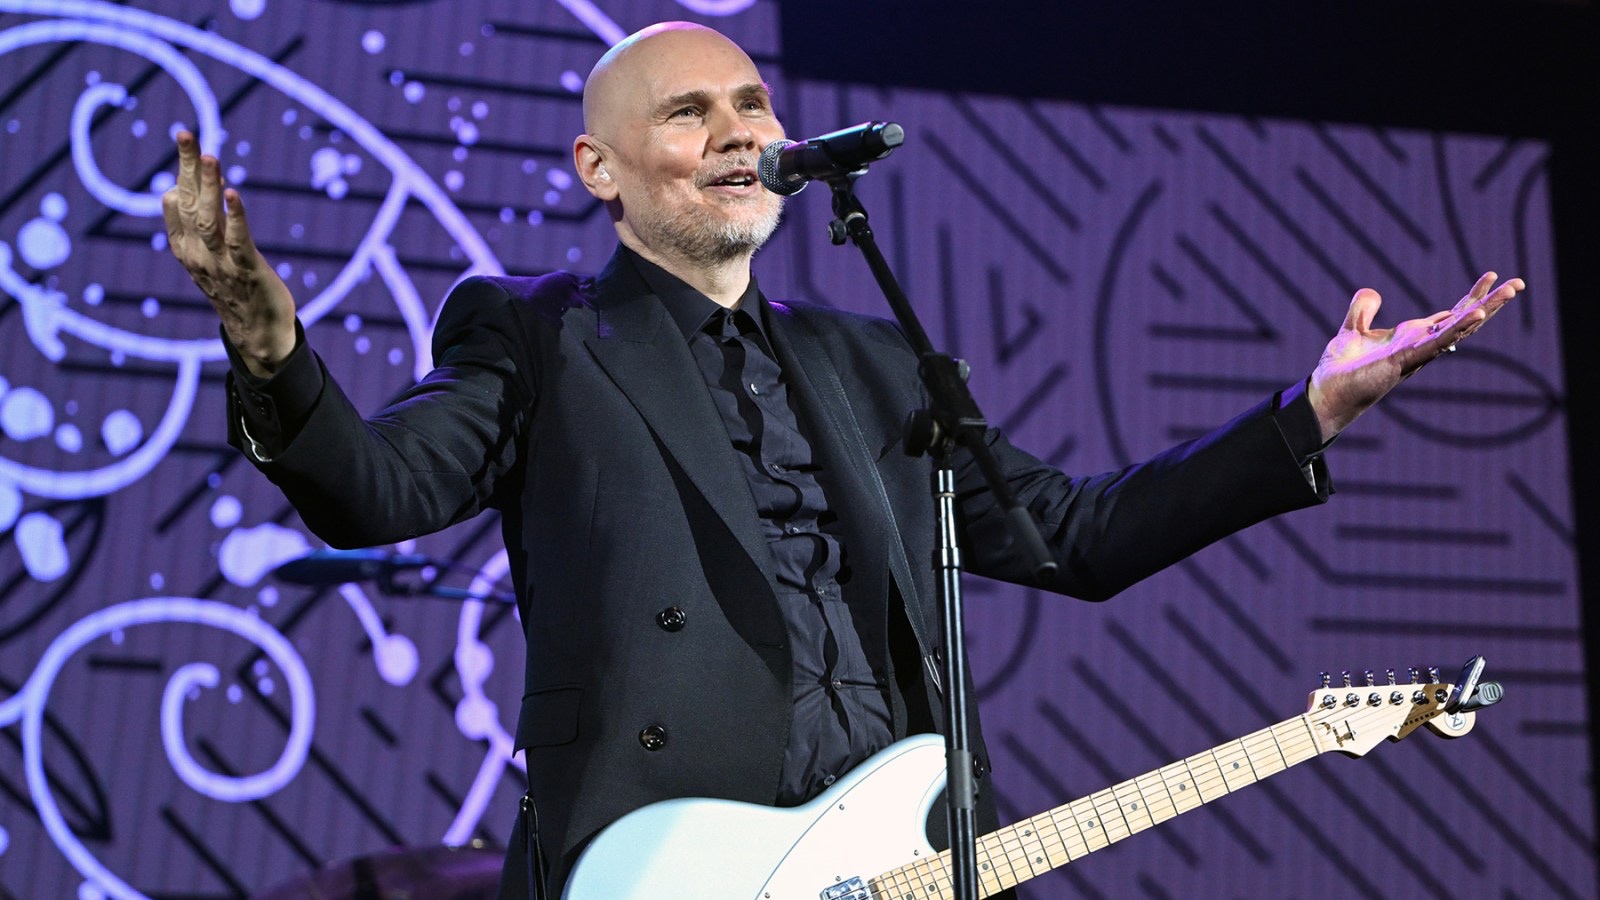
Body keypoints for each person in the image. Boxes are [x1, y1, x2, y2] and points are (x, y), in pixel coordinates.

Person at [162, 21, 1524, 899]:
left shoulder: (872, 358)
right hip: (669, 862)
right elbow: (376, 488)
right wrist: (269, 346)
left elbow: (1077, 535)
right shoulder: (536, 334)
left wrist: (1311, 412)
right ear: (599, 167)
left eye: (753, 103)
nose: (739, 130)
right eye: (689, 112)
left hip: (893, 856)